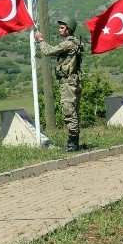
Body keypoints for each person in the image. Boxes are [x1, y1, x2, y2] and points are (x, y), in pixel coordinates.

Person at [36, 17, 84, 152]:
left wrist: (40, 40)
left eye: (62, 28)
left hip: (68, 82)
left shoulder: (68, 44)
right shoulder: (76, 43)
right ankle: (74, 142)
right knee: (74, 112)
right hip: (74, 81)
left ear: (69, 29)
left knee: (69, 112)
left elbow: (48, 51)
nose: (60, 30)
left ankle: (72, 144)